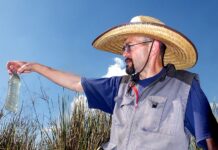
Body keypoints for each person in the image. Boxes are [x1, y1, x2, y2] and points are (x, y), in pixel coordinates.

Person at [7, 16, 218, 150]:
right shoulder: (119, 87)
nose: (124, 53)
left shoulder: (186, 88)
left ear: (154, 47)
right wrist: (34, 66)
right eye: (123, 48)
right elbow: (75, 82)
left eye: (129, 46)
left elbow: (211, 141)